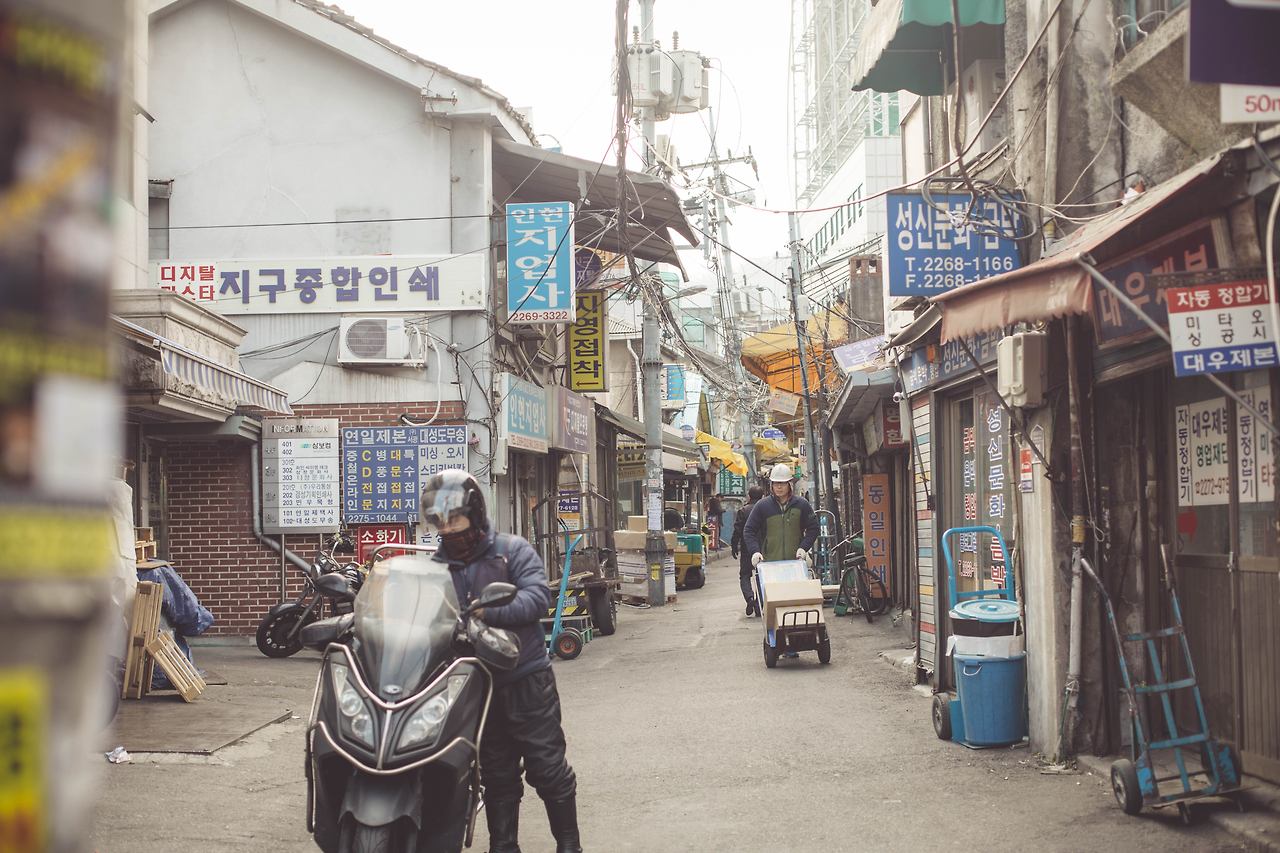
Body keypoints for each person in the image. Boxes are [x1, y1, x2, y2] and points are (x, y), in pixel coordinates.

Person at [421, 470, 581, 853]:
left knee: (547, 767)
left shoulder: (511, 550)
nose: (448, 529)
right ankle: (504, 846)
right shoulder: (435, 568)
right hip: (475, 686)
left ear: (475, 515)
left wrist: (486, 612)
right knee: (496, 773)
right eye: (441, 522)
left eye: (455, 519)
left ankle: (569, 845)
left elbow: (537, 597)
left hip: (526, 679)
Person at [743, 463, 820, 568]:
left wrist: (803, 548)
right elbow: (749, 530)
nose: (779, 487)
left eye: (782, 483)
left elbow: (814, 528)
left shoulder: (802, 504)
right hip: (770, 565)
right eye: (776, 483)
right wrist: (755, 551)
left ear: (789, 484)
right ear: (771, 485)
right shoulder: (762, 506)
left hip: (796, 564)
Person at [731, 484, 766, 615]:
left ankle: (750, 598)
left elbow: (737, 530)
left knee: (745, 575)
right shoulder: (766, 510)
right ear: (762, 496)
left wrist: (734, 545)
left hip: (747, 548)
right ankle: (760, 603)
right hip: (764, 548)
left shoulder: (743, 511)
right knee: (762, 576)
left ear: (749, 496)